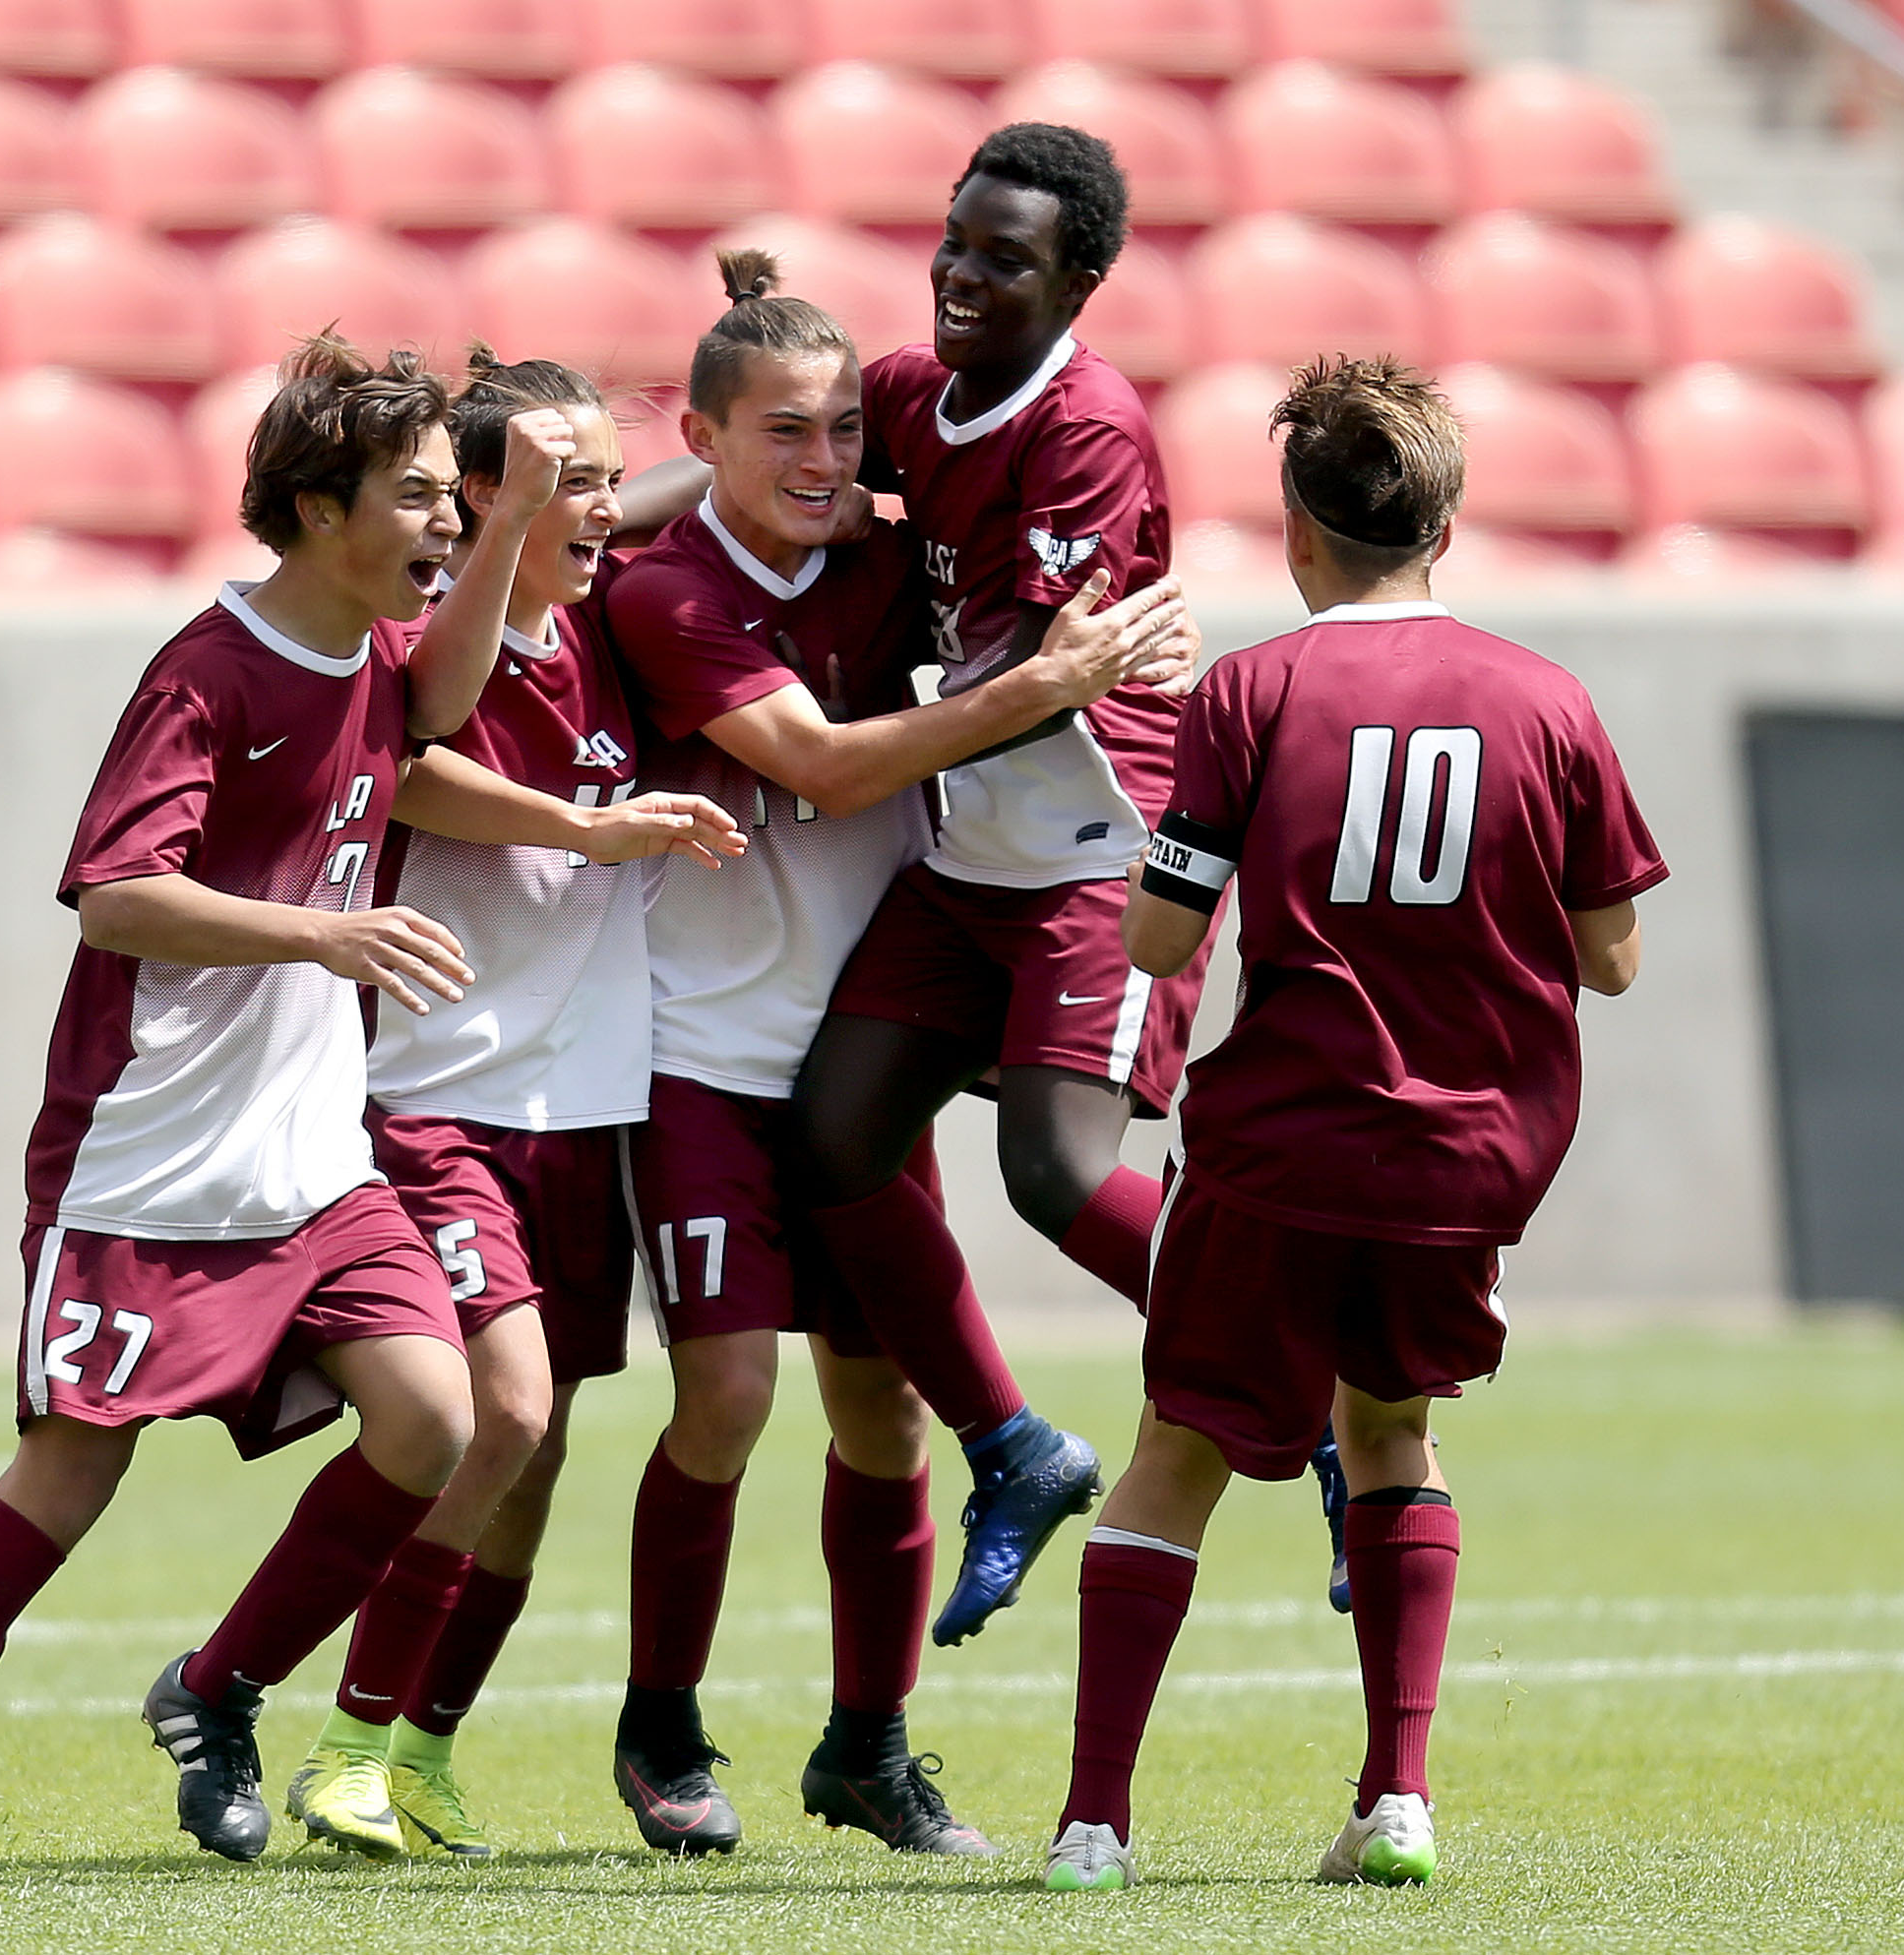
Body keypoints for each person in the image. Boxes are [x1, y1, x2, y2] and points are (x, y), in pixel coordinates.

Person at [0, 336, 576, 1888]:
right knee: (71, 1475)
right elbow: (120, 898)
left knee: (437, 1419)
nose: (440, 528)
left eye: (447, 504)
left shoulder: (370, 654)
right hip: (148, 1151)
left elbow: (435, 706)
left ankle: (216, 1693)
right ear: (317, 507)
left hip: (309, 1154)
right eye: (414, 501)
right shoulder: (208, 671)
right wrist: (325, 934)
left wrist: (518, 516)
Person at [1043, 356, 1666, 1895]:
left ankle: (1094, 1830)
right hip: (1467, 1158)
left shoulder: (1254, 690)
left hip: (1283, 1141)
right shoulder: (1550, 700)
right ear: (1444, 523)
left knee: (1176, 1451)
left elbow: (1160, 947)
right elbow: (1612, 958)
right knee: (1390, 1434)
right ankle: (1398, 1802)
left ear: (1299, 534)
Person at [597, 250, 1189, 1859]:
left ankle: (870, 1748)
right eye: (784, 432)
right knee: (723, 1396)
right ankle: (662, 1727)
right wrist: (1037, 690)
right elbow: (828, 769)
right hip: (705, 1049)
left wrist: (1113, 674)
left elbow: (1020, 551)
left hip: (859, 1040)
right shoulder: (663, 591)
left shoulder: (883, 552)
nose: (825, 464)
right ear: (707, 440)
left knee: (881, 1421)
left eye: (848, 430)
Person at [279, 349, 744, 1862]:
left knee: (535, 1464)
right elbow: (418, 752)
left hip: (581, 1105)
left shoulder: (606, 618)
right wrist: (591, 826)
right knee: (509, 1412)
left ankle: (421, 1749)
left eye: (608, 478)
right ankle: (339, 1736)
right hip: (437, 1098)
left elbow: (667, 494)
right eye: (561, 482)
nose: (599, 508)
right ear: (476, 503)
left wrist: (712, 453)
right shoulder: (435, 631)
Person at [784, 120, 1220, 1650]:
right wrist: (563, 510)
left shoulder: (1088, 423)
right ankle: (1016, 1448)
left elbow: (1048, 684)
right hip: (976, 851)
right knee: (833, 1130)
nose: (962, 275)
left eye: (1006, 257)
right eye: (955, 241)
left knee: (1050, 1165)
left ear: (1081, 279)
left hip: (1106, 841)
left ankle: (1289, 1352)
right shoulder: (918, 393)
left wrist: (871, 693)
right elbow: (764, 468)